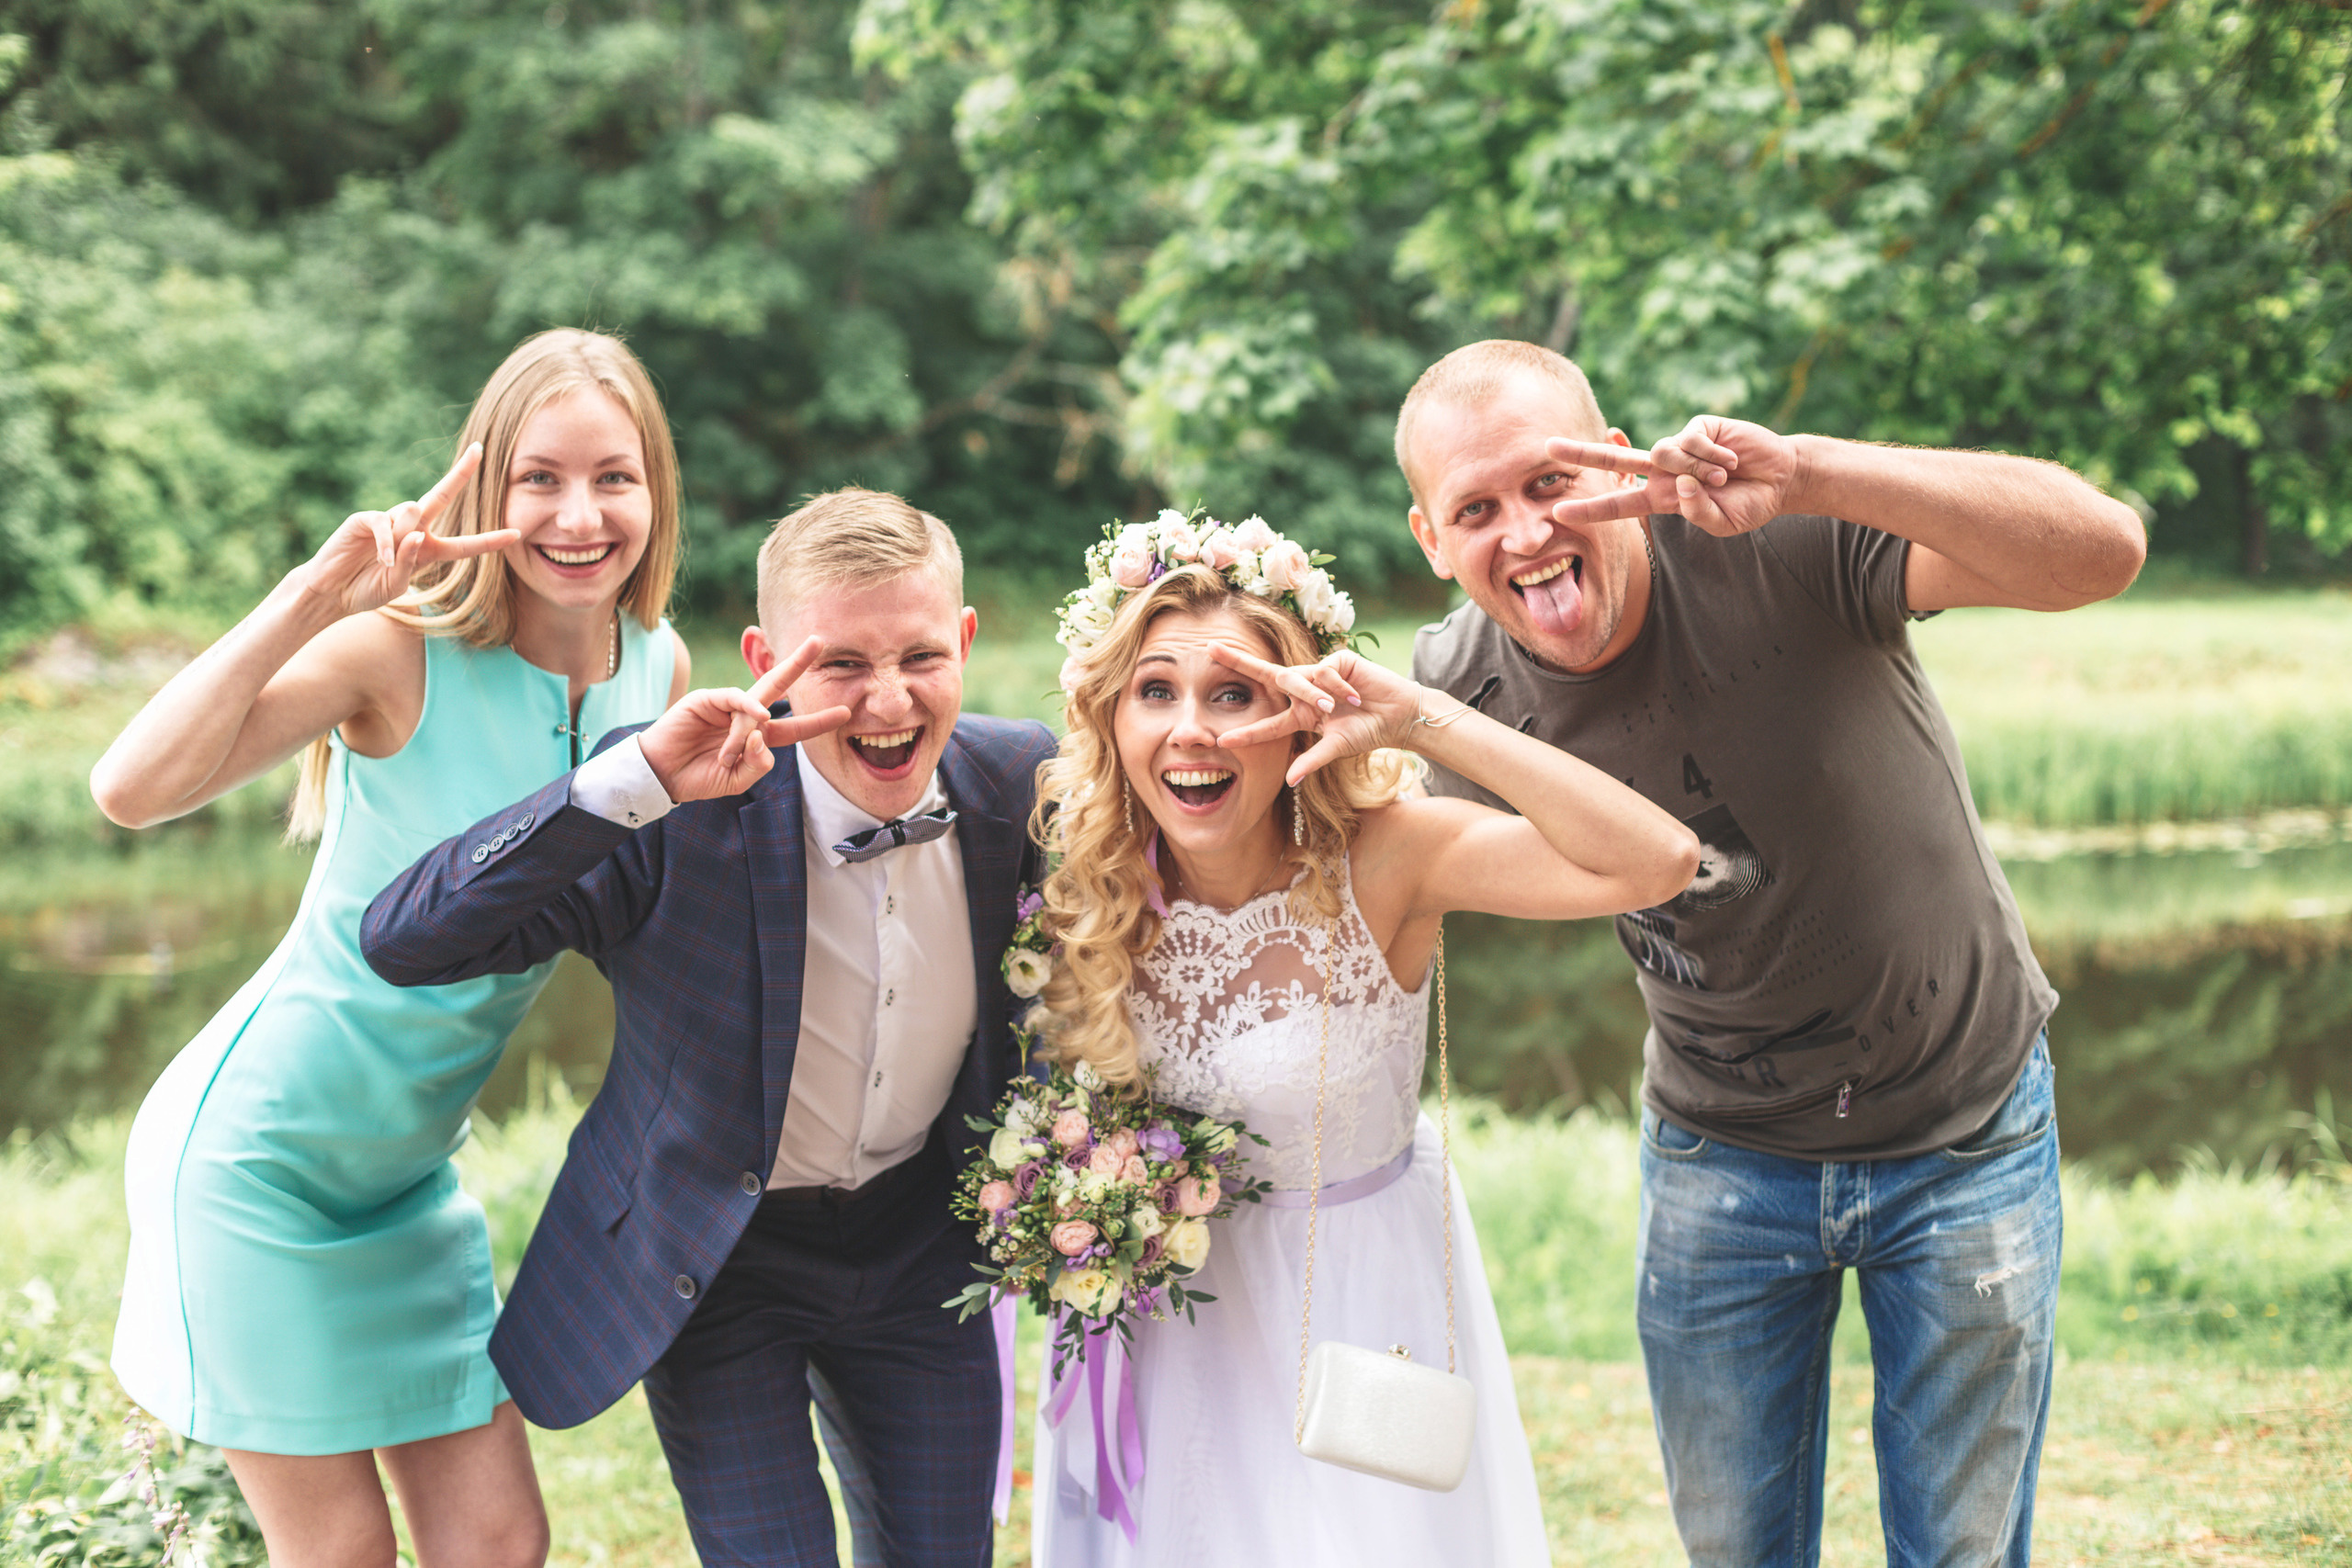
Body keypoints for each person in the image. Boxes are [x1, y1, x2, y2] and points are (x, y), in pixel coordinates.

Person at [1396, 340, 2149, 1568]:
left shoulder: (1770, 536)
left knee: (1960, 1551)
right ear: (1431, 538)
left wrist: (1809, 472)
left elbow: (2101, 553)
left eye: (1549, 481)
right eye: (1476, 509)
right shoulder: (1453, 691)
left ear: (1617, 458)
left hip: (1964, 1126)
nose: (1526, 532)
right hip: (1721, 1157)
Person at [361, 490, 1057, 1568]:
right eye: (840, 664)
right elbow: (408, 939)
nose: (887, 700)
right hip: (720, 1259)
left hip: (918, 1250)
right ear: (764, 660)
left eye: (920, 656)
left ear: (964, 640)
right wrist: (631, 780)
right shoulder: (674, 803)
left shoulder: (1017, 780)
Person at [96, 328, 692, 1567]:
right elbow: (130, 790)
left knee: (499, 1543)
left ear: (657, 491)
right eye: (539, 478)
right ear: (484, 488)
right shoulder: (398, 650)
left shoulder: (660, 671)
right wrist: (319, 596)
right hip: (257, 1166)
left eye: (613, 477)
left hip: (411, 1182)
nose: (579, 515)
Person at [1023, 528, 1702, 1566]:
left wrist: (1420, 717)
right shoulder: (1091, 884)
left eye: (1235, 694)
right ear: (1111, 715)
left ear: (1305, 706)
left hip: (1356, 1307)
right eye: (1155, 690)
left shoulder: (1386, 859)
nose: (1191, 729)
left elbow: (1658, 860)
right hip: (1164, 1336)